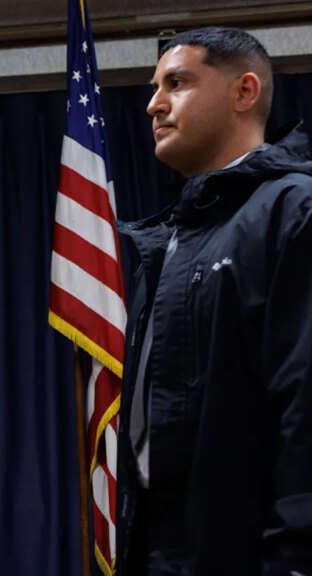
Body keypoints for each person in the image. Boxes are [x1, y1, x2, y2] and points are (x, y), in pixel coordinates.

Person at [117, 27, 312, 575]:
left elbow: (304, 401)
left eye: (176, 82)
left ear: (244, 92)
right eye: (155, 87)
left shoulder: (293, 211)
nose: (154, 103)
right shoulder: (170, 239)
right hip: (163, 546)